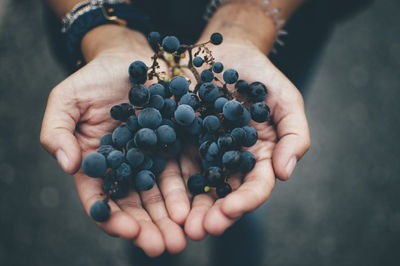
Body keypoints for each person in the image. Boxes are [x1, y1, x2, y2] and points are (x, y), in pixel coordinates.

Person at [40, 0, 313, 259]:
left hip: (270, 35)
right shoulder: (147, 111)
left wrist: (249, 20)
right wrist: (102, 31)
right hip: (110, 36)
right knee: (151, 221)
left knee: (242, 193)